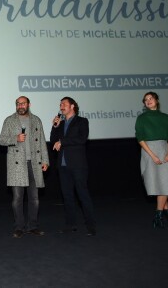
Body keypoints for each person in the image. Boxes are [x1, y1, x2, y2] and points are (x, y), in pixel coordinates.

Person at [0, 96, 49, 238]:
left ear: (28, 105)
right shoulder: (9, 120)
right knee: (17, 198)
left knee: (34, 198)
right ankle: (19, 227)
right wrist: (16, 139)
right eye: (18, 104)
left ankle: (33, 226)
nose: (20, 106)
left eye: (23, 103)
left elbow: (42, 142)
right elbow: (2, 140)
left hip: (34, 164)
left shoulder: (36, 120)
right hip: (17, 165)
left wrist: (45, 160)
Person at [50, 96, 96, 236]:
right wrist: (55, 126)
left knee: (83, 195)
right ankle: (71, 224)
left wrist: (62, 141)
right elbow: (53, 141)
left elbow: (82, 139)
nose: (61, 106)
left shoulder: (82, 121)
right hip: (63, 166)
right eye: (60, 104)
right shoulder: (61, 123)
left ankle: (90, 225)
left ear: (72, 106)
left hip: (78, 165)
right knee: (67, 196)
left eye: (64, 104)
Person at [135, 91, 168, 229]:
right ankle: (167, 214)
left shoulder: (165, 117)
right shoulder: (142, 118)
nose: (148, 101)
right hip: (149, 151)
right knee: (158, 184)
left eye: (150, 98)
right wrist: (152, 155)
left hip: (164, 149)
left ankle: (158, 215)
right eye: (145, 100)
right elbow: (140, 138)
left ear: (157, 100)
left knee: (166, 182)